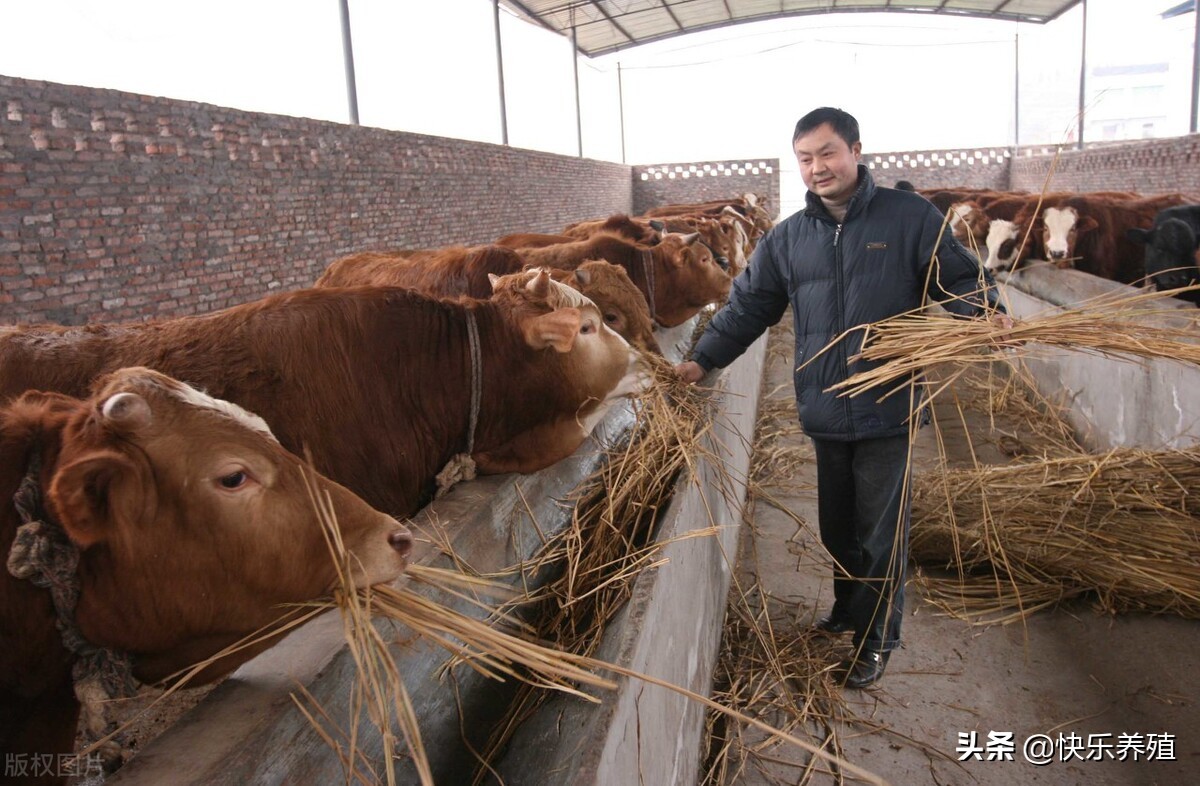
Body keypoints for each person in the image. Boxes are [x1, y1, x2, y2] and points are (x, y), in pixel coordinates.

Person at [676, 107, 1011, 689]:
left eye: (827, 153)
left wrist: (986, 313)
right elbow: (750, 306)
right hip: (826, 405)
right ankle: (850, 606)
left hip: (889, 403)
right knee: (838, 529)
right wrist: (702, 358)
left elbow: (958, 279)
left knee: (882, 533)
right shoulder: (788, 238)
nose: (816, 168)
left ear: (856, 150)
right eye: (804, 158)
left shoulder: (909, 218)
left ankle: (877, 639)